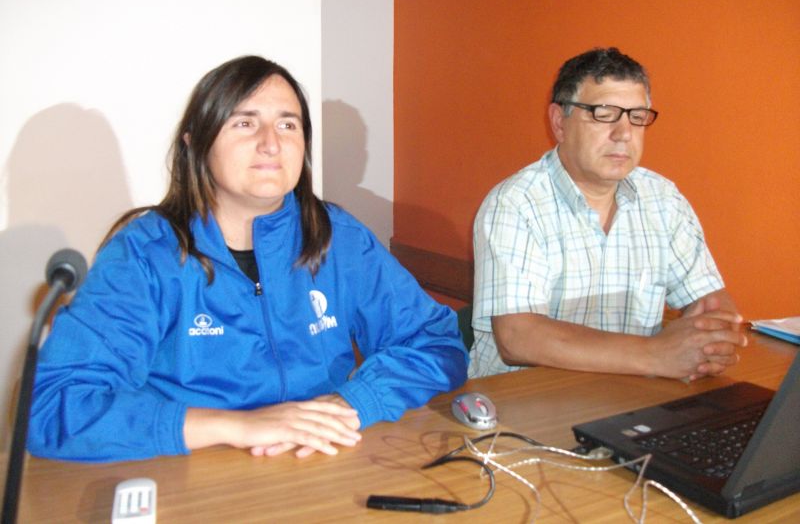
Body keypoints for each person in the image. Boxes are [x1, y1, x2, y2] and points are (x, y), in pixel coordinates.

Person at [28, 56, 468, 463]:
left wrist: (351, 403)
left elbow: (435, 343)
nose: (271, 143)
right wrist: (237, 426)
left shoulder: (339, 238)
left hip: (320, 462)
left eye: (288, 124)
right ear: (196, 143)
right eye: (244, 123)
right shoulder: (143, 255)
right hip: (189, 473)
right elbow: (52, 406)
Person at [469, 47, 746, 381]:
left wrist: (715, 335)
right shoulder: (516, 203)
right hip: (526, 399)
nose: (624, 133)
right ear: (559, 122)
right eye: (604, 114)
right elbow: (518, 337)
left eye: (637, 116)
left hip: (630, 393)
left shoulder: (663, 199)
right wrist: (655, 354)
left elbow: (709, 299)